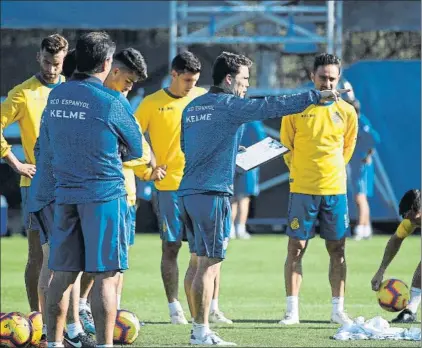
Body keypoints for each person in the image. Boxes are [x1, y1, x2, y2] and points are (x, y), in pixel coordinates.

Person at [178, 51, 343, 345]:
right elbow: (272, 105)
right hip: (213, 194)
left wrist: (232, 157)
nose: (246, 87)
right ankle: (201, 332)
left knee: (197, 261)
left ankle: (198, 329)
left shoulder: (192, 107)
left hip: (188, 192)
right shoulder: (230, 104)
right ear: (228, 80)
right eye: (243, 80)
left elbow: (189, 148)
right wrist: (315, 97)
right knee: (209, 264)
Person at [42, 31, 144, 348]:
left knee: (62, 275)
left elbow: (47, 141)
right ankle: (103, 345)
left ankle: (55, 343)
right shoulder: (111, 101)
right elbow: (137, 148)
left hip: (65, 194)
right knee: (106, 277)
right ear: (106, 62)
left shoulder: (56, 95)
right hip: (104, 196)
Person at [135, 51, 232, 325]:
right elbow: (132, 135)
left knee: (209, 250)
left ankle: (212, 307)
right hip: (168, 188)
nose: (192, 85)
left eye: (196, 80)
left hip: (201, 185)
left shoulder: (203, 97)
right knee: (171, 246)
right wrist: (149, 167)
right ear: (174, 75)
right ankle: (174, 307)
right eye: (187, 79)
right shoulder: (151, 103)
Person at [279, 53, 358, 326]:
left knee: (338, 250)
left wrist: (331, 172)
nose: (327, 83)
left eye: (332, 78)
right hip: (302, 189)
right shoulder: (296, 108)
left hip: (334, 190)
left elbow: (347, 148)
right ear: (312, 76)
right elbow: (287, 146)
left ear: (339, 80)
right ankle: (292, 312)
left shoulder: (347, 112)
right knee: (295, 249)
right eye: (322, 77)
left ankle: (337, 310)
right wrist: (302, 172)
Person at [0, 34, 68, 313]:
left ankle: (73, 317)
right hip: (35, 184)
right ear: (38, 57)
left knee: (70, 255)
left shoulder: (73, 89)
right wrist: (14, 162)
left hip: (71, 185)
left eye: (57, 63)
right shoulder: (23, 93)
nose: (51, 69)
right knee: (37, 256)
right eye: (47, 62)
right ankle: (37, 317)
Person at [371, 189, 421, 323]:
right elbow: (395, 240)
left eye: (414, 218)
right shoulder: (412, 219)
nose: (412, 222)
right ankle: (411, 311)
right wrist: (381, 270)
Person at [346, 99, 381, 240]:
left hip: (362, 165)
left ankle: (361, 227)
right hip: (355, 164)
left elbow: (375, 138)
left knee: (360, 197)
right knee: (360, 196)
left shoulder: (362, 122)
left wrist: (368, 155)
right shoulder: (351, 123)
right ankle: (366, 228)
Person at [231, 121, 266, 239]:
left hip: (232, 162)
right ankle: (238, 229)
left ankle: (232, 229)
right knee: (242, 198)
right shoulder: (254, 122)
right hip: (247, 163)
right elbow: (262, 142)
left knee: (233, 198)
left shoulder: (229, 116)